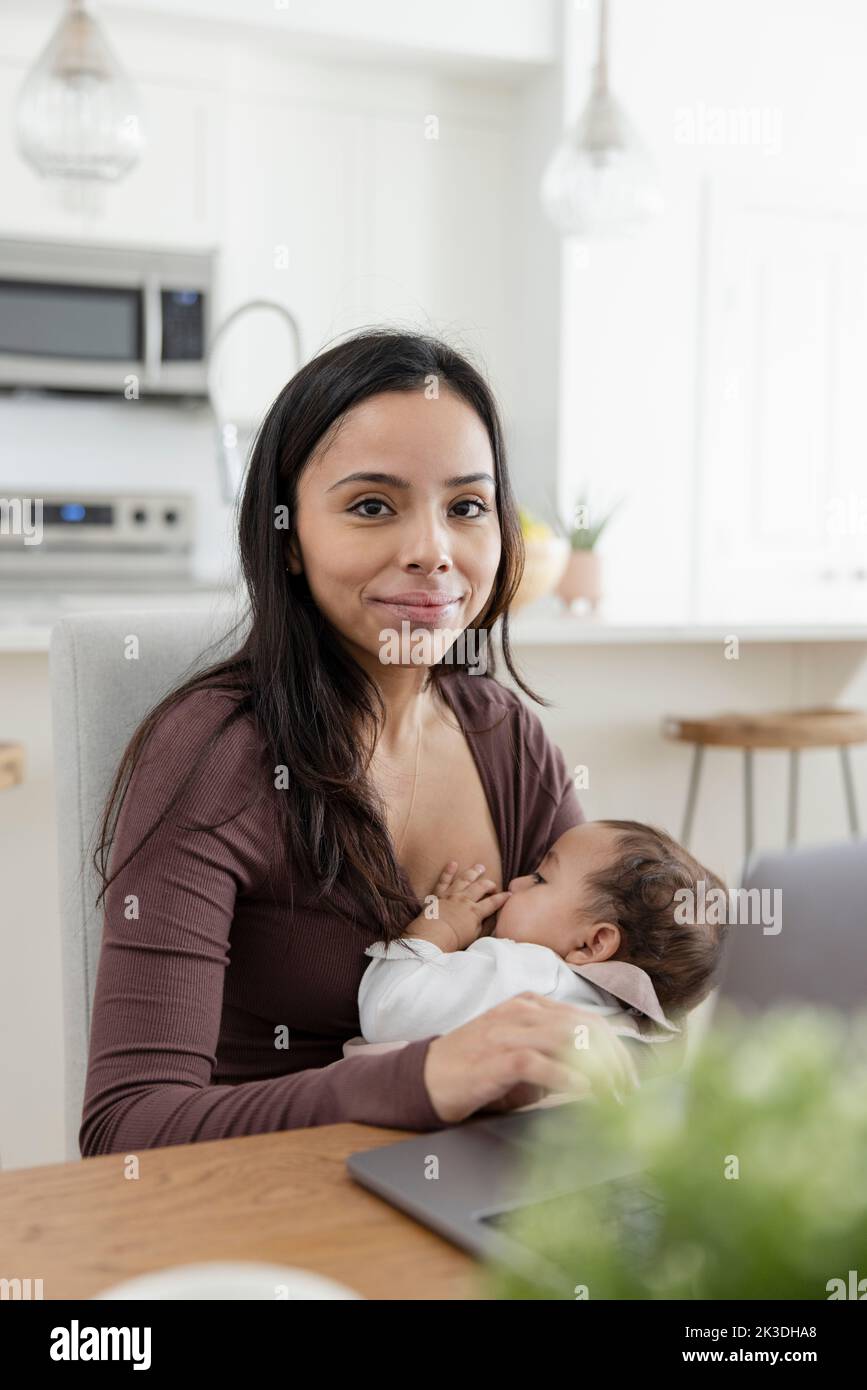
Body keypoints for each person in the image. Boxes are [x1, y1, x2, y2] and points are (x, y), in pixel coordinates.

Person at [81, 328, 639, 1157]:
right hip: (264, 1218)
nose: (432, 553)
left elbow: (604, 980)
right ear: (287, 536)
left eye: (467, 507)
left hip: (485, 1189)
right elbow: (125, 1129)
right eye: (372, 506)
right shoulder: (211, 755)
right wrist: (420, 1078)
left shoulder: (506, 738)